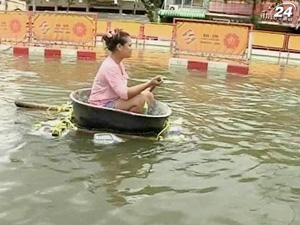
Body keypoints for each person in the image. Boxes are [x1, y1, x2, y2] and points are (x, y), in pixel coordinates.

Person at [88, 28, 163, 114]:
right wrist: (149, 83)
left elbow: (124, 91)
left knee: (148, 95)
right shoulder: (110, 66)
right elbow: (125, 94)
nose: (132, 49)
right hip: (101, 106)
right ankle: (129, 124)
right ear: (119, 47)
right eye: (129, 45)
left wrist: (151, 86)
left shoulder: (118, 63)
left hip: (115, 100)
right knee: (141, 100)